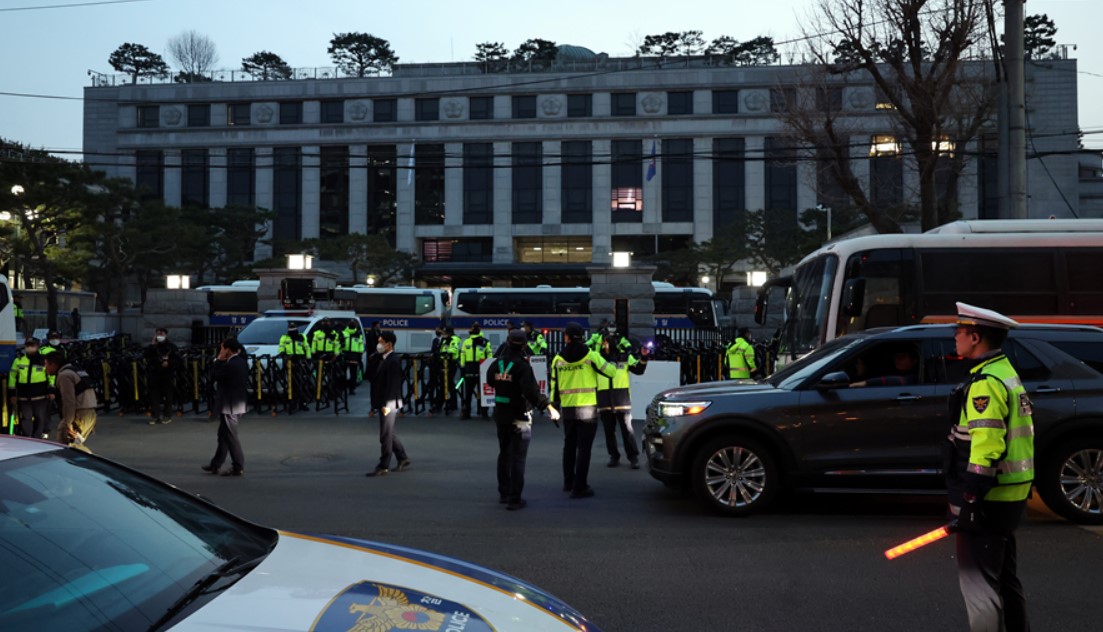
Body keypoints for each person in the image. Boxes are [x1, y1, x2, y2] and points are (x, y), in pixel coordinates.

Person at [945, 302, 1034, 632]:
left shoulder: (985, 383)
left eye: (959, 332)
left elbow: (986, 448)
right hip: (1011, 495)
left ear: (975, 337)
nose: (955, 338)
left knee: (979, 585)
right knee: (1004, 578)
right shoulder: (1006, 373)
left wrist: (970, 500)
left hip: (989, 499)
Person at [486, 329, 561, 510]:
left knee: (504, 454)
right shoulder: (523, 366)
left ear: (507, 342)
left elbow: (490, 381)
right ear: (525, 346)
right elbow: (532, 393)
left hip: (501, 415)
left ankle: (504, 493)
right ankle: (514, 498)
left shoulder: (497, 364)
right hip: (519, 417)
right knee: (518, 459)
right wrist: (549, 407)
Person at [550, 321, 615, 499]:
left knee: (569, 446)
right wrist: (608, 355)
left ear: (567, 337)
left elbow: (554, 387)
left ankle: (568, 482)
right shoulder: (591, 356)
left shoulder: (558, 358)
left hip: (568, 409)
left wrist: (553, 409)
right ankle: (580, 487)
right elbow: (611, 372)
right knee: (584, 449)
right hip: (587, 409)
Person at [597, 332, 649, 469]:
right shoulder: (598, 358)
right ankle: (614, 456)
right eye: (604, 341)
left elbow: (638, 369)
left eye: (608, 341)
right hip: (604, 399)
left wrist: (644, 357)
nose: (606, 344)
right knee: (609, 431)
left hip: (621, 399)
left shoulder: (625, 357)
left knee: (627, 430)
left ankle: (633, 457)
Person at [364, 331, 411, 477]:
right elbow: (369, 376)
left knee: (384, 435)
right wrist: (373, 359)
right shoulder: (380, 358)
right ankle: (403, 458)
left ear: (389, 344)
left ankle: (383, 465)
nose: (379, 344)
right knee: (389, 432)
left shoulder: (394, 361)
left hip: (389, 403)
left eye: (381, 342)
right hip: (381, 401)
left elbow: (394, 385)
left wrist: (387, 404)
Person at [202, 337, 249, 477]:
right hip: (238, 402)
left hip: (230, 405)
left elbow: (214, 376)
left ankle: (238, 466)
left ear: (228, 349)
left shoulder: (230, 364)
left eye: (222, 348)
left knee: (230, 436)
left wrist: (218, 361)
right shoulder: (241, 362)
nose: (221, 351)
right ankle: (216, 463)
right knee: (223, 435)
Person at [44, 350, 97, 452]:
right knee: (75, 444)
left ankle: (94, 464)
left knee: (67, 446)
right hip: (89, 413)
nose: (45, 368)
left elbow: (69, 401)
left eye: (46, 364)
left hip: (79, 413)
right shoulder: (76, 370)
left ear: (54, 364)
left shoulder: (64, 376)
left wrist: (67, 423)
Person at [8, 337, 52, 438]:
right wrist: (12, 394)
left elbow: (51, 376)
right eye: (28, 345)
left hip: (40, 396)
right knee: (26, 418)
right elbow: (12, 377)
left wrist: (51, 390)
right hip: (23, 396)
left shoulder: (43, 360)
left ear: (37, 346)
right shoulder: (18, 360)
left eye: (32, 345)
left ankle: (37, 438)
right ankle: (28, 438)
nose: (30, 347)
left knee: (40, 418)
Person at [143, 327, 180, 425]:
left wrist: (169, 363)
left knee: (168, 396)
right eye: (158, 334)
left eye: (161, 334)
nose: (159, 336)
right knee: (154, 396)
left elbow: (177, 360)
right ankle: (155, 415)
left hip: (167, 374)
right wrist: (152, 345)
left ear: (166, 335)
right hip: (155, 374)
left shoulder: (171, 347)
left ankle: (167, 415)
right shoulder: (153, 347)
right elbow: (146, 355)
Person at [459, 324, 492, 419]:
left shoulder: (484, 342)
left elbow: (489, 354)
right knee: (472, 392)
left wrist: (463, 366)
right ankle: (475, 412)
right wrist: (462, 366)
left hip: (477, 366)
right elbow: (463, 354)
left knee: (475, 392)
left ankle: (478, 412)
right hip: (474, 366)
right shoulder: (468, 342)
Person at [279, 321, 312, 411]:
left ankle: (302, 403)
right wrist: (284, 355)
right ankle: (292, 403)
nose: (292, 331)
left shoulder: (302, 337)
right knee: (291, 384)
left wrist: (308, 359)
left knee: (302, 383)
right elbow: (281, 348)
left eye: (294, 329)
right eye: (291, 329)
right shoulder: (284, 338)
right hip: (290, 362)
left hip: (300, 361)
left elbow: (307, 348)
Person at [849, 347, 919, 387]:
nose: (897, 359)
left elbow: (901, 381)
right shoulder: (891, 371)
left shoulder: (916, 376)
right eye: (896, 357)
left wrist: (866, 383)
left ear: (914, 360)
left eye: (902, 357)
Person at [440, 326, 461, 415]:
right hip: (444, 363)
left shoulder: (454, 339)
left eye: (444, 332)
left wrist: (446, 352)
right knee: (447, 383)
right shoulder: (445, 340)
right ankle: (449, 402)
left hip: (451, 363)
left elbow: (454, 349)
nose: (443, 334)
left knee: (449, 383)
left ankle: (452, 403)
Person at [341, 318, 365, 395]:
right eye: (351, 323)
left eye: (353, 323)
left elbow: (361, 345)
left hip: (355, 355)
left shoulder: (358, 334)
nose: (352, 324)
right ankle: (342, 388)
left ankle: (352, 388)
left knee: (353, 374)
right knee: (342, 373)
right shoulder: (344, 333)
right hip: (345, 354)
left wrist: (360, 354)